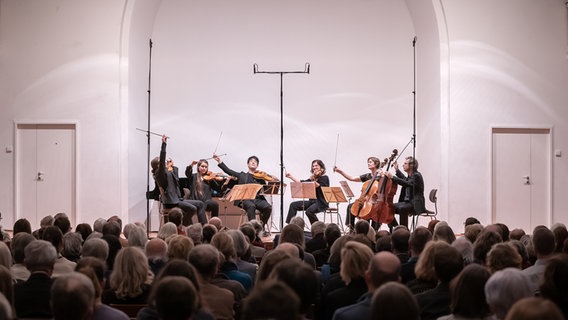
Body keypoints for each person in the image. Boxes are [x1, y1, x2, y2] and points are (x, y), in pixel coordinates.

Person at [151, 135, 206, 226]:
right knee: (192, 208)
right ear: (158, 165)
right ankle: (182, 225)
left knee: (200, 203)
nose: (165, 162)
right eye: (163, 162)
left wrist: (172, 166)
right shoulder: (159, 174)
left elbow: (176, 179)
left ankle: (205, 228)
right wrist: (164, 144)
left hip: (177, 199)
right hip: (171, 202)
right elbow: (162, 161)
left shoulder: (166, 172)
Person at [213, 154, 272, 233]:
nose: (253, 163)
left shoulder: (261, 178)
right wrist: (219, 161)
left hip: (258, 199)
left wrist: (269, 178)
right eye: (251, 161)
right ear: (248, 164)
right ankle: (253, 229)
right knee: (251, 206)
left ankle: (261, 226)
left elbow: (265, 190)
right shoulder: (242, 175)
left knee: (268, 207)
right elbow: (228, 171)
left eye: (255, 162)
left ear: (257, 165)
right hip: (245, 199)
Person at [334, 157, 382, 230]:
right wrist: (340, 171)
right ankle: (352, 228)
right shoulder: (367, 176)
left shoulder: (381, 177)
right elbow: (352, 178)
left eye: (370, 162)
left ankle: (371, 230)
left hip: (375, 201)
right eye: (368, 162)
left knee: (370, 210)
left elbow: (383, 191)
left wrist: (383, 175)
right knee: (350, 206)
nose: (368, 163)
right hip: (366, 200)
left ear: (376, 164)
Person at [384, 156, 426, 230]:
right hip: (408, 202)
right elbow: (404, 179)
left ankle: (404, 231)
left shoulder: (416, 175)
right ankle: (397, 228)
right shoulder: (411, 175)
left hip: (416, 204)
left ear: (411, 165)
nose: (403, 165)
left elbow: (407, 183)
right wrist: (397, 169)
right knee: (388, 207)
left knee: (402, 208)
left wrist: (392, 177)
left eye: (405, 163)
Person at [285, 159, 329, 225]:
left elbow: (321, 187)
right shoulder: (312, 178)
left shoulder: (324, 178)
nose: (314, 167)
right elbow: (302, 183)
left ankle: (318, 228)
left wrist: (314, 179)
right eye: (313, 166)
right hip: (312, 202)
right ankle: (290, 226)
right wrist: (291, 177)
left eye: (316, 165)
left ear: (321, 167)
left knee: (309, 211)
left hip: (321, 203)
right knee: (293, 205)